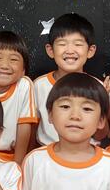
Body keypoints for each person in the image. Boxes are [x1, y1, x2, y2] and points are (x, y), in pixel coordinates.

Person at [33, 13, 97, 147]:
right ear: (50, 50)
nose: (70, 50)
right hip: (47, 152)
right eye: (62, 44)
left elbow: (102, 132)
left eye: (78, 44)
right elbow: (32, 127)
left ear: (90, 51)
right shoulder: (39, 85)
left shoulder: (98, 86)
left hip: (87, 152)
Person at [0, 31, 37, 164]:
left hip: (11, 158)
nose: (4, 65)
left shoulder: (23, 85)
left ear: (23, 70)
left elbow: (24, 127)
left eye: (13, 59)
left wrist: (18, 165)